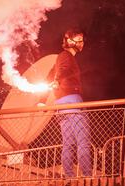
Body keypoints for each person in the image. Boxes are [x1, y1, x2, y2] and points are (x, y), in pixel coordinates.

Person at [38, 28, 92, 177]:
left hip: (60, 104)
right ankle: (87, 176)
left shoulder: (60, 58)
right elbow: (62, 70)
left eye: (82, 39)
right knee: (83, 140)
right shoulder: (66, 55)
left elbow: (50, 75)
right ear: (68, 41)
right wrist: (57, 80)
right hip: (72, 101)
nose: (81, 42)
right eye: (78, 39)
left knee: (68, 143)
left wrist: (42, 100)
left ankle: (69, 177)